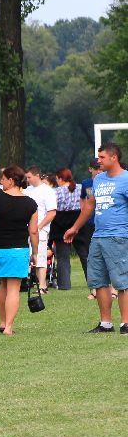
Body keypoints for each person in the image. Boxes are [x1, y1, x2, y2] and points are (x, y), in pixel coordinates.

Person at [63, 143, 128, 333]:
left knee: (122, 281)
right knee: (98, 280)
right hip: (98, 236)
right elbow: (90, 205)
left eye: (101, 157)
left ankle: (126, 323)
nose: (98, 161)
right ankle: (105, 323)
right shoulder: (98, 180)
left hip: (119, 236)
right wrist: (75, 227)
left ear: (113, 157)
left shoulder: (126, 179)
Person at [0, 167, 38, 335]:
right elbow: (33, 231)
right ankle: (9, 327)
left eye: (3, 179)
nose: (1, 182)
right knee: (13, 288)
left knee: (3, 284)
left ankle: (3, 322)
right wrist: (35, 252)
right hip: (18, 250)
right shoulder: (30, 203)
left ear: (11, 180)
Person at [24, 166, 57, 293]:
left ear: (37, 175)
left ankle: (42, 285)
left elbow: (52, 212)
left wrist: (39, 226)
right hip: (27, 229)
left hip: (40, 230)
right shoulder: (27, 191)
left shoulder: (47, 191)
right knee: (29, 256)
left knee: (40, 257)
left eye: (29, 177)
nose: (27, 180)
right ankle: (28, 283)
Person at [50, 168, 81, 291]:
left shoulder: (56, 192)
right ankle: (94, 284)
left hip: (60, 224)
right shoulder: (81, 188)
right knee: (85, 255)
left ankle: (64, 284)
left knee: (63, 257)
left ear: (60, 178)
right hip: (78, 222)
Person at [78, 159, 102, 297]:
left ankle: (111, 287)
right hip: (89, 223)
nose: (99, 171)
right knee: (90, 255)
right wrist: (83, 210)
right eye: (96, 168)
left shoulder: (106, 181)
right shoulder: (86, 183)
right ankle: (93, 288)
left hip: (102, 222)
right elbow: (83, 198)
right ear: (90, 169)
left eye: (100, 168)